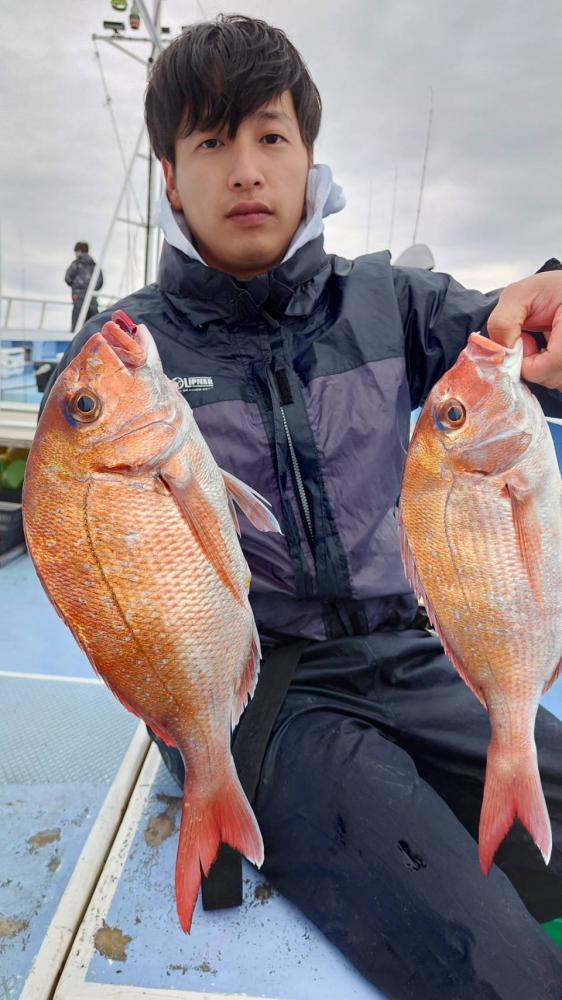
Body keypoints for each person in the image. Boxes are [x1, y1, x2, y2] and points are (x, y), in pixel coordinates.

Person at [42, 16, 562, 1000]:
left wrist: (554, 295)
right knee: (492, 962)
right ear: (169, 179)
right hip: (267, 699)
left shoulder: (390, 302)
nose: (246, 170)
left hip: (421, 654)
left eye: (270, 136)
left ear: (308, 158)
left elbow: (516, 341)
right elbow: (83, 534)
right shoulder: (126, 353)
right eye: (212, 141)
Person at [64, 241, 103, 331]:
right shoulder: (94, 265)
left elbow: (68, 278)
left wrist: (77, 287)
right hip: (92, 298)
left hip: (79, 297)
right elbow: (99, 283)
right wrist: (91, 289)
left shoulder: (76, 264)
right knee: (93, 325)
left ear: (79, 251)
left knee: (77, 326)